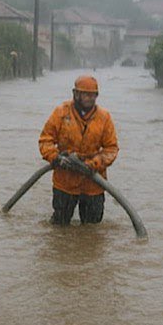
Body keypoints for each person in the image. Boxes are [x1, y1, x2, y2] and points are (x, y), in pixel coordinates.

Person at [38, 75, 119, 225]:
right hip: (65, 181)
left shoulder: (104, 117)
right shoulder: (61, 113)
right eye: (86, 94)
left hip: (93, 183)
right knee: (60, 228)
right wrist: (56, 158)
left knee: (91, 232)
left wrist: (93, 164)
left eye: (93, 95)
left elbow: (111, 149)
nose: (90, 98)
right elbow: (45, 140)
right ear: (75, 94)